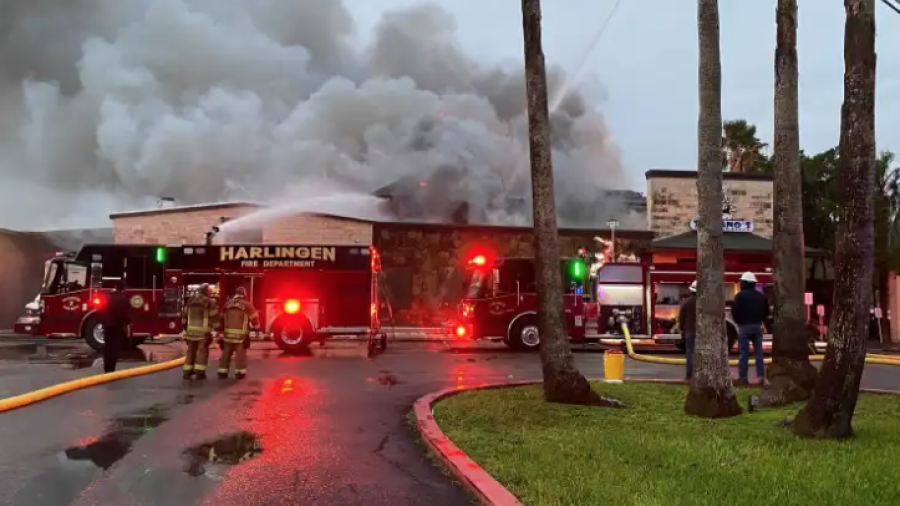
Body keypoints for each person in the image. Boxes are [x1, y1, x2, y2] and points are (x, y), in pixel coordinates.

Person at [731, 272, 770, 386]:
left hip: (744, 327)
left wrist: (740, 322)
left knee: (744, 353)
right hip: (757, 327)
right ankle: (761, 377)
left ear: (745, 283)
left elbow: (734, 312)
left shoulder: (739, 296)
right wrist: (759, 320)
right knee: (759, 353)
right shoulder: (761, 296)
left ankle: (743, 378)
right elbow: (766, 313)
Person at [219, 286, 260, 380]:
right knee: (240, 355)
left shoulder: (227, 304)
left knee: (226, 354)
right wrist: (257, 328)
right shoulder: (247, 305)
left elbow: (221, 318)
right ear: (244, 294)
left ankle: (222, 372)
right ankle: (239, 373)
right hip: (240, 336)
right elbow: (254, 318)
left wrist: (220, 331)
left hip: (227, 335)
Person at [181, 284, 219, 380]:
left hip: (191, 331)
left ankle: (187, 372)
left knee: (190, 351)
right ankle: (199, 373)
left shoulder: (190, 300)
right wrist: (218, 329)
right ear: (206, 291)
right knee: (202, 351)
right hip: (203, 332)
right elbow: (214, 317)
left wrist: (185, 328)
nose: (211, 293)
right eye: (209, 291)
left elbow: (184, 315)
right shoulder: (209, 302)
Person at [100, 281, 131, 373]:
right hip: (118, 327)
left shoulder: (107, 297)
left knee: (108, 347)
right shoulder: (123, 299)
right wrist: (127, 323)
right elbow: (125, 315)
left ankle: (107, 368)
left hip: (107, 326)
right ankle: (112, 368)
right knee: (115, 348)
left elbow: (99, 311)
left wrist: (104, 323)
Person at [678, 280, 698, 380]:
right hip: (702, 332)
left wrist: (682, 328)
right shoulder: (706, 303)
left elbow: (681, 318)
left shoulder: (686, 302)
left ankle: (689, 375)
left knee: (690, 352)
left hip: (689, 331)